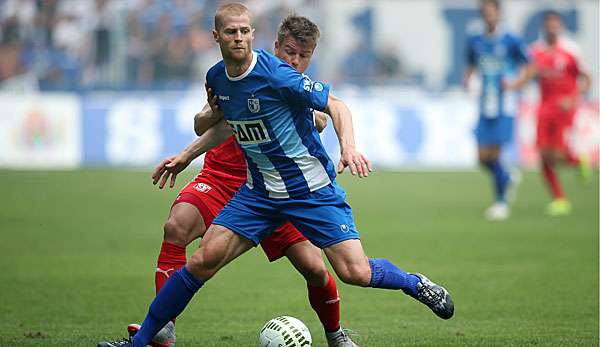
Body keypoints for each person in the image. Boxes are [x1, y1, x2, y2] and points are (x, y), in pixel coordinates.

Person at [99, 4, 453, 347]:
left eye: (243, 31)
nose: (238, 38)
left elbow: (336, 105)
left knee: (353, 272)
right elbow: (229, 125)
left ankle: (413, 283)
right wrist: (185, 156)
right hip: (259, 193)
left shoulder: (279, 76)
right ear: (217, 36)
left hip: (309, 192)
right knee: (202, 258)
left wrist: (348, 146)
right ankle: (143, 340)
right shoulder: (217, 77)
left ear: (252, 35)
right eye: (231, 32)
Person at [127, 15, 357, 347]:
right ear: (274, 46)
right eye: (288, 52)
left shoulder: (295, 88)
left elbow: (324, 118)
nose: (294, 61)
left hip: (277, 189)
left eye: (302, 56)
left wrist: (318, 123)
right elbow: (201, 123)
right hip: (222, 178)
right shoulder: (242, 71)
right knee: (177, 227)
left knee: (316, 269)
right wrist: (208, 118)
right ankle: (163, 328)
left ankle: (336, 335)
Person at [463, 0, 530, 221]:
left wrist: (516, 84)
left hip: (505, 105)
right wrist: (468, 79)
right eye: (485, 13)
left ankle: (501, 202)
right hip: (485, 104)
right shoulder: (476, 40)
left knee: (497, 154)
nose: (488, 16)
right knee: (483, 158)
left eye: (492, 12)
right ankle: (507, 177)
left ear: (499, 14)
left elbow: (530, 65)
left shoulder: (511, 40)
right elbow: (471, 64)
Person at [525, 10, 592, 216]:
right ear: (544, 27)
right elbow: (527, 74)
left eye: (555, 25)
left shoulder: (571, 51)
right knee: (543, 155)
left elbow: (587, 80)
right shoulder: (536, 51)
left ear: (561, 27)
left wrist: (572, 99)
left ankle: (577, 160)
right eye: (548, 25)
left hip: (565, 109)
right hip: (544, 108)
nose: (551, 28)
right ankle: (560, 199)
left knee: (557, 154)